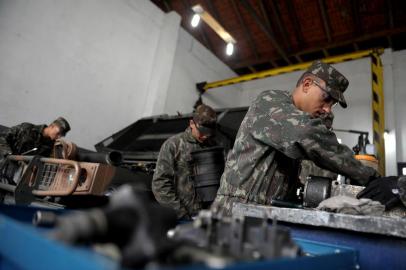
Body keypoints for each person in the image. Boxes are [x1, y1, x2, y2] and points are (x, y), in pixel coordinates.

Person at [211, 60, 386, 216]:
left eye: (332, 105)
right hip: (234, 211)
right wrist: (370, 178)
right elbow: (306, 133)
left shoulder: (297, 121)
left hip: (265, 214)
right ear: (307, 84)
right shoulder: (269, 101)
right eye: (326, 99)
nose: (328, 109)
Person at [152, 104, 228, 219]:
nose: (205, 136)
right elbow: (160, 184)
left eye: (209, 133)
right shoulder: (173, 145)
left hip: (209, 216)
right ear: (192, 123)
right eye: (202, 132)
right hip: (182, 217)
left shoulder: (215, 146)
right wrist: (181, 213)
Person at [0, 117, 71, 158]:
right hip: (3, 158)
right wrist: (9, 154)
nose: (59, 136)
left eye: (61, 135)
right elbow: (3, 137)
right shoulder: (27, 128)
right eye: (58, 133)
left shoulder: (49, 144)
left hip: (15, 170)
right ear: (52, 126)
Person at [299, 112, 337, 182]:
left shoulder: (331, 147)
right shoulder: (303, 141)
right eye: (323, 129)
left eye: (329, 129)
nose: (326, 133)